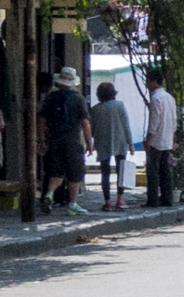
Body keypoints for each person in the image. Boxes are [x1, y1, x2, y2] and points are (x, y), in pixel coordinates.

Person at [40, 66, 91, 211]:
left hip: (54, 140)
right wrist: (89, 143)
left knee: (56, 172)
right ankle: (72, 204)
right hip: (73, 141)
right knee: (75, 174)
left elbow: (42, 120)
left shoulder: (51, 98)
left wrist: (42, 140)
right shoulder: (79, 99)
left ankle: (49, 194)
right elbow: (85, 123)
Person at [88, 82, 131, 208]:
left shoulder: (95, 109)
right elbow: (126, 125)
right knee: (121, 170)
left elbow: (92, 128)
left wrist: (91, 144)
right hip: (120, 140)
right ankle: (120, 198)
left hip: (102, 142)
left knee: (105, 172)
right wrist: (131, 143)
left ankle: (107, 201)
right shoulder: (120, 105)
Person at [144, 77, 180, 205]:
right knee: (166, 170)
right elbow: (174, 119)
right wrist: (172, 137)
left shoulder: (156, 98)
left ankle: (152, 199)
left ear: (154, 81)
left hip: (157, 139)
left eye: (148, 81)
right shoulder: (169, 97)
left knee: (153, 170)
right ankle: (167, 198)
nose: (147, 84)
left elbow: (154, 121)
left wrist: (148, 139)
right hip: (167, 139)